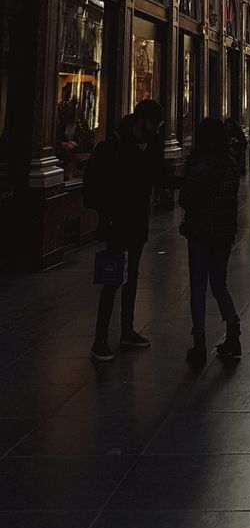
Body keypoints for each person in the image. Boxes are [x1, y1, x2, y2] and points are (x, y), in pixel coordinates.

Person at [84, 99, 165, 362]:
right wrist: (104, 216)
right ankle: (99, 340)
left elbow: (156, 176)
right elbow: (97, 185)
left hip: (138, 220)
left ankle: (128, 330)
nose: (157, 129)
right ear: (141, 120)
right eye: (154, 123)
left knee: (133, 275)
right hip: (116, 223)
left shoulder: (152, 144)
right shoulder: (114, 147)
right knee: (111, 279)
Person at [179, 117, 241, 366]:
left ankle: (200, 342)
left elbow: (185, 198)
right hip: (224, 234)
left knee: (198, 287)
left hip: (200, 233)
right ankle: (233, 332)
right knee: (219, 283)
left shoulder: (200, 166)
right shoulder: (231, 165)